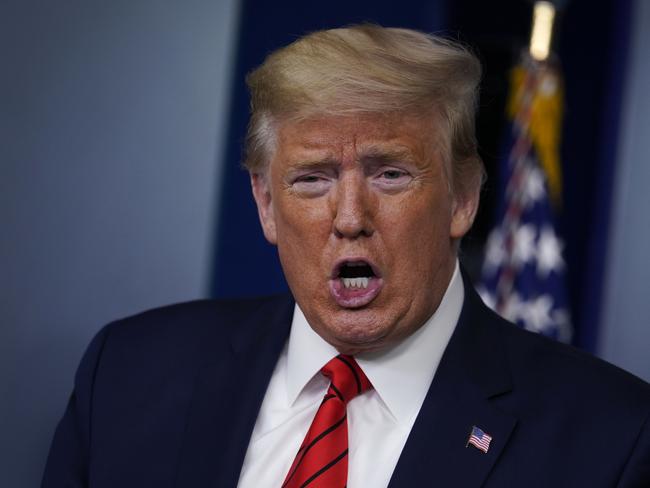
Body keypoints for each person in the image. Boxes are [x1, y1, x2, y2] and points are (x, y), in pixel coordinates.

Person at [42, 24, 650, 487]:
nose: (350, 219)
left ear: (463, 197)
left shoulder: (613, 439)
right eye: (312, 178)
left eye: (389, 174)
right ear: (264, 203)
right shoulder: (125, 376)